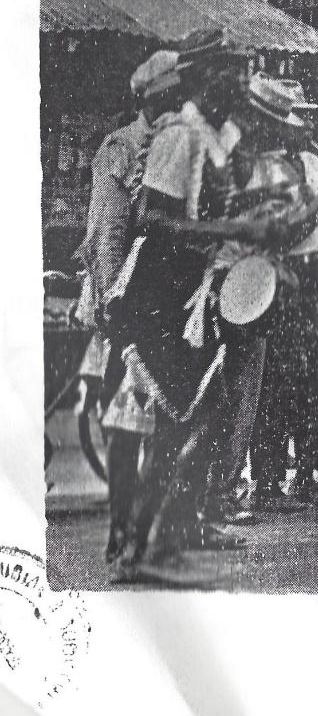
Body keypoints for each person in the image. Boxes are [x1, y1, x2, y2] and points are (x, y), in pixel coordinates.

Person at [107, 30, 266, 586]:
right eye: (231, 72)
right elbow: (153, 217)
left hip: (186, 296)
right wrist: (222, 231)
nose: (241, 83)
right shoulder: (181, 134)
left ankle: (156, 543)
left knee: (200, 417)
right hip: (159, 296)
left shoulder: (219, 138)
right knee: (182, 421)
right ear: (202, 77)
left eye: (244, 71)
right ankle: (145, 547)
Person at [77, 48, 183, 563]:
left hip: (171, 301)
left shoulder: (179, 143)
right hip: (130, 301)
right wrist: (115, 305)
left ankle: (149, 529)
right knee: (126, 421)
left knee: (169, 422)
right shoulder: (121, 149)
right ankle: (120, 528)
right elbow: (108, 232)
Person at [241, 76, 318, 512]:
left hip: (313, 272)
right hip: (279, 275)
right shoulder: (262, 169)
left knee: (316, 379)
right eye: (296, 119)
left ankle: (306, 475)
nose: (306, 127)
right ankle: (267, 482)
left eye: (307, 118)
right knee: (277, 381)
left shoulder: (310, 161)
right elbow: (285, 230)